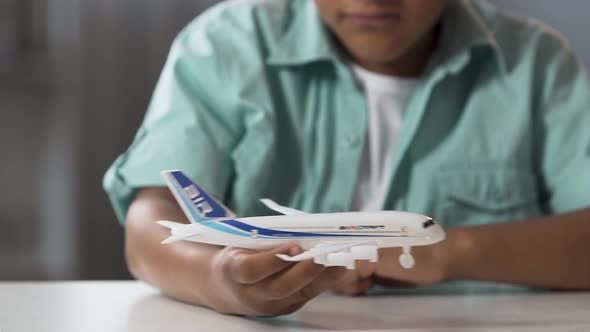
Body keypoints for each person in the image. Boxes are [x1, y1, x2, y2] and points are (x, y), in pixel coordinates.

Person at [104, 0, 590, 316]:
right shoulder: (225, 46)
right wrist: (222, 280)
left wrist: (448, 253)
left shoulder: (534, 65)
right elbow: (150, 225)